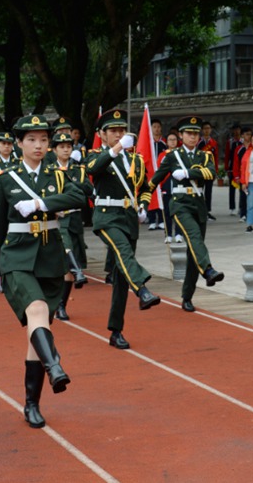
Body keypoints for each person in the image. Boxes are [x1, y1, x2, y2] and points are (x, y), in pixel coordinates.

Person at [0, 114, 86, 428]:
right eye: (32, 140)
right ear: (19, 143)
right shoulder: (6, 178)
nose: (39, 145)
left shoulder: (57, 175)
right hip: (16, 257)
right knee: (38, 308)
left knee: (36, 329)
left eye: (44, 140)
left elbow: (79, 196)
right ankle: (54, 365)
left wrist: (43, 204)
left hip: (50, 258)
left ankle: (32, 403)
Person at [85, 109, 161, 348]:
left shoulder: (136, 159)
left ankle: (116, 330)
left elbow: (146, 187)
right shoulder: (96, 154)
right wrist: (117, 149)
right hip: (107, 217)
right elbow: (93, 169)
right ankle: (143, 290)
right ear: (102, 134)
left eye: (121, 130)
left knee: (120, 277)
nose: (118, 134)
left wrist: (144, 206)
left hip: (128, 217)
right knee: (123, 252)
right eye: (113, 131)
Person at [147, 115, 224, 312]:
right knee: (194, 236)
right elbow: (155, 179)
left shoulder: (205, 156)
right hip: (180, 204)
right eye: (189, 133)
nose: (193, 137)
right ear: (180, 135)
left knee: (193, 252)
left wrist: (188, 173)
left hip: (198, 205)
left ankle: (187, 296)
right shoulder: (172, 156)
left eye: (195, 133)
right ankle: (208, 270)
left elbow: (211, 173)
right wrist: (143, 200)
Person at [50, 132, 92, 321]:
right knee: (67, 255)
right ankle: (77, 272)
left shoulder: (79, 170)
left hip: (75, 219)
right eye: (62, 146)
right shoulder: (49, 170)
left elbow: (87, 191)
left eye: (69, 146)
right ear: (54, 150)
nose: (66, 149)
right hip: (58, 220)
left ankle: (61, 304)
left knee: (69, 263)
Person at [158, 132, 182, 244]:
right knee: (167, 211)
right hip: (166, 186)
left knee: (178, 211)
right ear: (166, 142)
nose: (172, 141)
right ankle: (168, 234)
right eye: (170, 139)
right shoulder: (162, 156)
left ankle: (178, 233)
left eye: (174, 139)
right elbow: (159, 172)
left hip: (178, 185)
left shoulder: (181, 154)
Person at [199, 121, 219, 220]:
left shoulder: (214, 143)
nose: (207, 130)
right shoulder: (198, 142)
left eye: (208, 128)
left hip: (210, 170)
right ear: (202, 130)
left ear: (211, 130)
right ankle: (200, 210)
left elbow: (216, 157)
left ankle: (207, 211)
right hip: (200, 171)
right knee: (199, 191)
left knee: (208, 192)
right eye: (205, 128)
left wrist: (216, 171)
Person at [225, 122, 242, 216]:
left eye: (238, 129)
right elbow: (227, 155)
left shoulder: (243, 142)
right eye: (234, 129)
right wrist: (227, 168)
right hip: (232, 168)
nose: (236, 131)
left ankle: (241, 207)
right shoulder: (230, 142)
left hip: (241, 168)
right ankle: (232, 208)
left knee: (241, 189)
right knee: (232, 189)